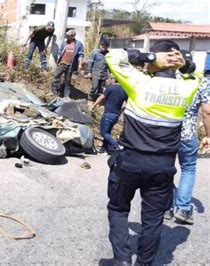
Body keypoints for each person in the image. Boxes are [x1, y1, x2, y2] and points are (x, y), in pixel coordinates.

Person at [99, 40, 202, 266]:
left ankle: (122, 260)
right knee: (153, 219)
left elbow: (112, 55)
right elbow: (195, 75)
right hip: (163, 166)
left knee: (118, 209)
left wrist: (149, 57)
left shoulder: (139, 83)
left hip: (130, 161)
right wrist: (184, 66)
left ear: (157, 61)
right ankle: (144, 263)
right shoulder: (188, 87)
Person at [165, 70, 210, 224]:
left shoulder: (167, 78)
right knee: (188, 169)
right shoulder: (200, 81)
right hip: (187, 134)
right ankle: (183, 209)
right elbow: (207, 111)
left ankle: (166, 208)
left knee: (166, 168)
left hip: (165, 132)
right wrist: (208, 135)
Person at [91, 84, 127, 154]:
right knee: (108, 132)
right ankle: (104, 149)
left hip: (108, 113)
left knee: (103, 132)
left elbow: (102, 97)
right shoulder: (125, 90)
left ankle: (117, 146)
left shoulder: (111, 87)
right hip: (116, 115)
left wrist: (93, 105)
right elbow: (128, 103)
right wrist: (122, 110)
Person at [50, 29, 84, 98]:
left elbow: (80, 55)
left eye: (68, 36)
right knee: (56, 77)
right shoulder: (64, 43)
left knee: (67, 81)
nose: (66, 37)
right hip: (62, 63)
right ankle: (55, 92)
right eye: (66, 35)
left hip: (71, 65)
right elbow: (60, 52)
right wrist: (58, 60)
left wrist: (80, 64)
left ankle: (66, 96)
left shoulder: (79, 44)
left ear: (73, 36)